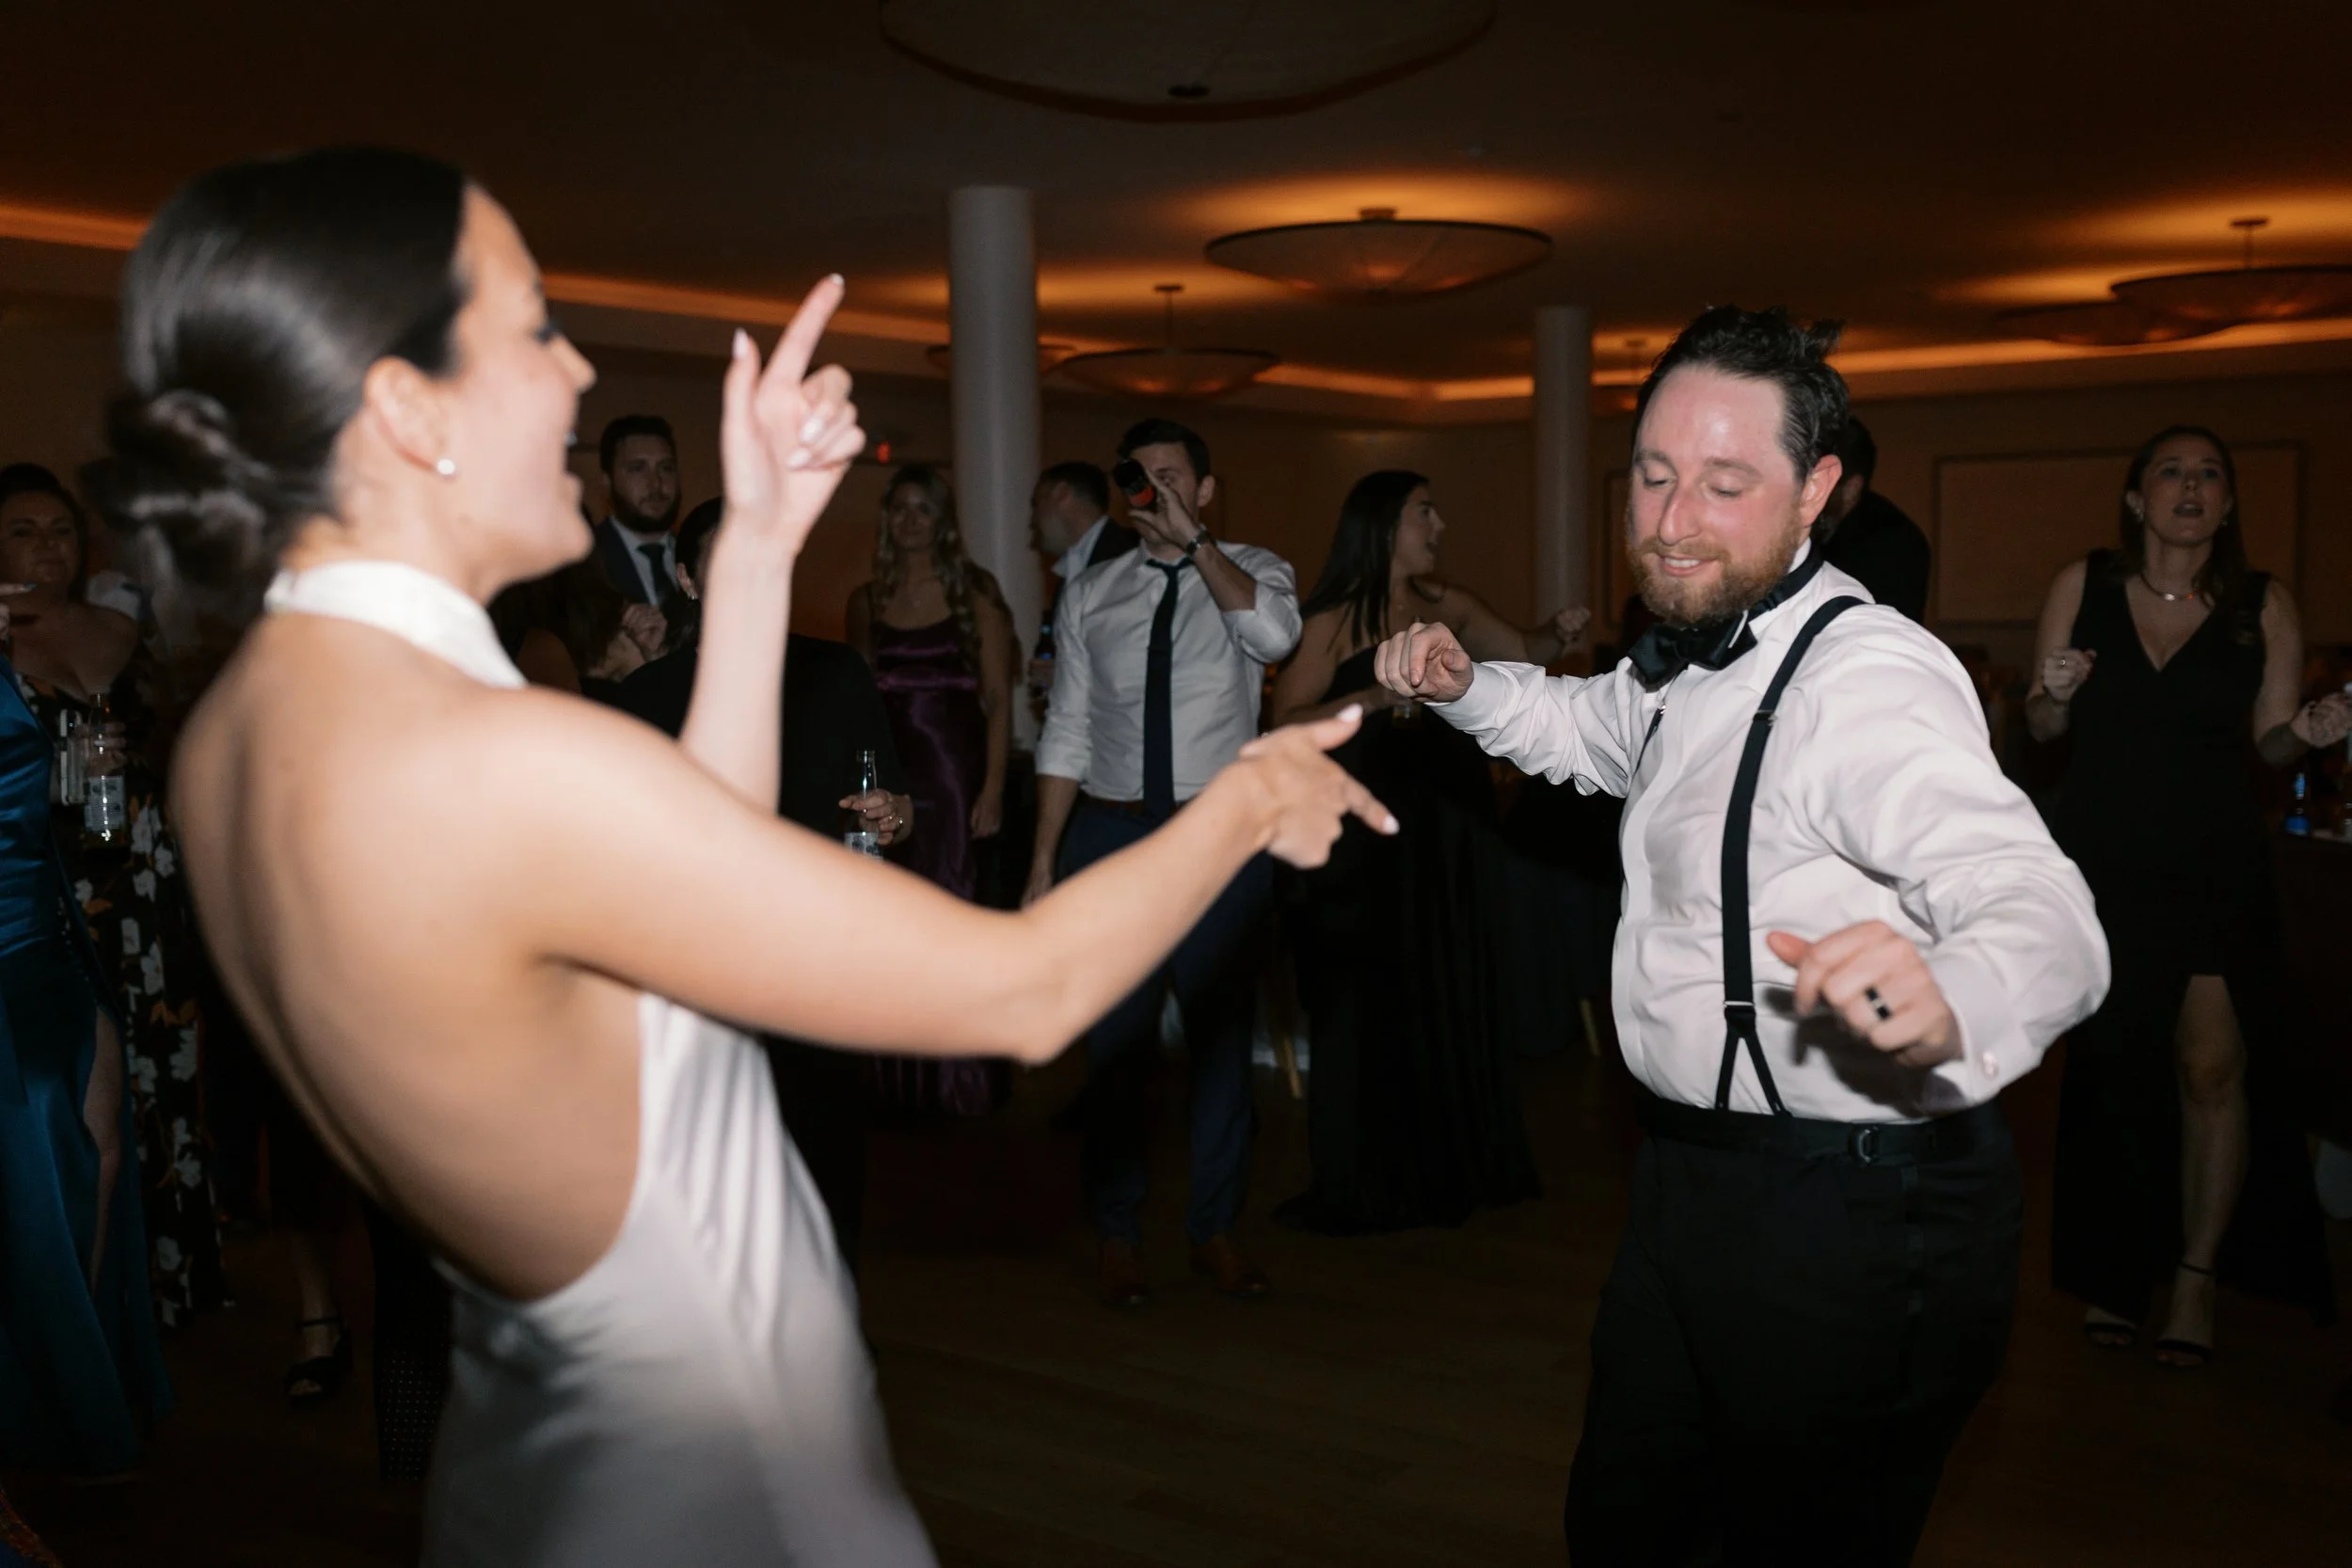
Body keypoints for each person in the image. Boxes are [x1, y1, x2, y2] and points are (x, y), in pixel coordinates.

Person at [90, 146, 1385, 1568]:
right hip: (716, 1483)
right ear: (406, 409)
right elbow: (1027, 989)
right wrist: (1253, 798)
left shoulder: (230, 738)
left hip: (529, 1455)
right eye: (534, 327)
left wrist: (762, 542)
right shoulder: (499, 764)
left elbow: (682, 856)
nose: (579, 372)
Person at [1375, 305, 2107, 1565]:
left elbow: (2040, 904)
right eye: (1654, 476)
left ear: (1816, 489)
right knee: (1625, 1520)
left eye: (1723, 485)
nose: (1670, 522)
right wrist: (1466, 688)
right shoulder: (1694, 651)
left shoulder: (1864, 680)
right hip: (1690, 1179)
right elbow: (1594, 731)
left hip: (1853, 1209)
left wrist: (1956, 990)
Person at [2030, 425, 2350, 1366]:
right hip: (2106, 862)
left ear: (2227, 503)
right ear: (2135, 498)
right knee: (2116, 1069)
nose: (2190, 485)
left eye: (2209, 473)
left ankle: (2197, 1278)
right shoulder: (2080, 585)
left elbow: (2270, 745)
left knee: (2211, 1067)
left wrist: (2312, 728)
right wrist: (2051, 692)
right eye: (2170, 470)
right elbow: (2046, 725)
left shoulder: (2262, 603)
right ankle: (2118, 1270)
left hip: (2215, 862)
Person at [1027, 418, 1303, 1307]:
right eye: (1139, 477)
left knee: (1222, 1048)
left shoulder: (1254, 569)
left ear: (1206, 489)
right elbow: (1066, 726)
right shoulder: (1091, 591)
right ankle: (1117, 1231)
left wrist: (1200, 546)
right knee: (1118, 1051)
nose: (1155, 490)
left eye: (1173, 475)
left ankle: (1214, 1229)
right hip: (1110, 833)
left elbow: (1273, 641)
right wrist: (1042, 861)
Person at [1267, 470, 1583, 1232]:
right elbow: (1286, 719)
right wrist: (1373, 697)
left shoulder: (1450, 607)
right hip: (1366, 836)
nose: (1438, 524)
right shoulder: (1332, 620)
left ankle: (1453, 1163)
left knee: (1450, 981)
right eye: (1424, 511)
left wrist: (1561, 630)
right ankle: (1366, 1176)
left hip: (1450, 825)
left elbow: (1524, 651)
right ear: (1382, 525)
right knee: (1369, 997)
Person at [612, 497, 913, 1267]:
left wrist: (893, 814)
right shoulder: (644, 701)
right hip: (693, 972)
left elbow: (895, 806)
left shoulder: (837, 673)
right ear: (687, 577)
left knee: (825, 1162)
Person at [0, 466, 224, 1328]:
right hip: (43, 894)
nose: (46, 545)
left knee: (159, 1081)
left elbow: (177, 740)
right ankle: (63, 1309)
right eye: (22, 529)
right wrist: (68, 782)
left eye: (59, 528)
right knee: (68, 1096)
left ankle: (158, 1289)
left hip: (142, 882)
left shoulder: (123, 629)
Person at [0, 584, 172, 1477]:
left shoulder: (26, 650)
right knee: (31, 1184)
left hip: (49, 937)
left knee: (98, 1155)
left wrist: (82, 776)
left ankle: (75, 1380)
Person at [845, 464, 1013, 903]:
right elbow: (858, 701)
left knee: (953, 887)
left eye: (924, 510)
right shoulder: (866, 600)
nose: (910, 520)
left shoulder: (974, 590)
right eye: (900, 509)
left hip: (953, 771)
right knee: (892, 891)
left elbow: (997, 698)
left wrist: (993, 789)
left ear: (943, 520)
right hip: (891, 767)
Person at [1027, 459, 1138, 715]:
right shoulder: (1071, 569)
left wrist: (1068, 677)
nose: (1032, 520)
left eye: (1035, 504)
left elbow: (1131, 660)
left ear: (1061, 494)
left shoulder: (1129, 559)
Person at [1817, 416, 1931, 623]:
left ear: (1851, 489)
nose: (1809, 492)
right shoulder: (1826, 530)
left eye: (1821, 482)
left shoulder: (1892, 543)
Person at [590, 413, 682, 608]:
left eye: (666, 468)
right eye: (637, 469)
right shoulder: (583, 563)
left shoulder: (703, 557)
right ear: (607, 483)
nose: (656, 484)